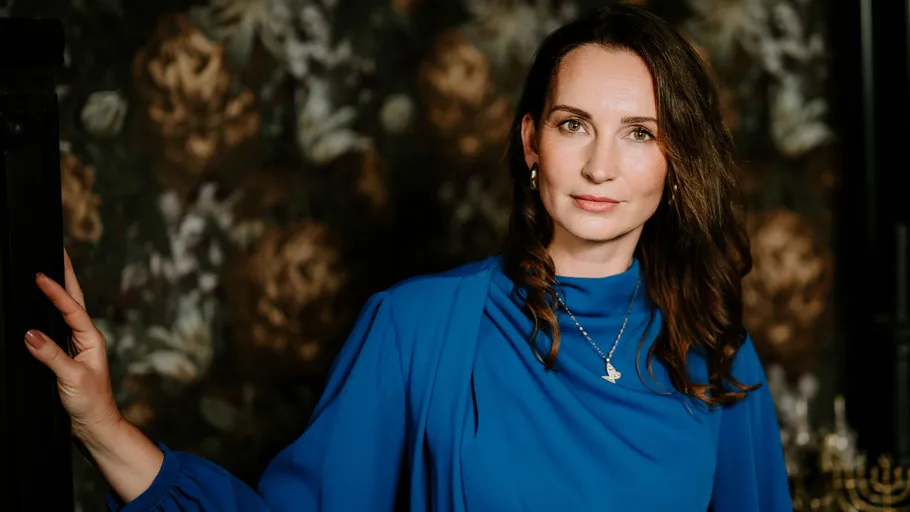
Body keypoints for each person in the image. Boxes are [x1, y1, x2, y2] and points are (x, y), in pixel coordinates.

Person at [25, 4, 792, 511]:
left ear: (676, 161)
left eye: (639, 133)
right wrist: (103, 425)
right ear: (531, 142)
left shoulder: (717, 353)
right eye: (572, 124)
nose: (599, 166)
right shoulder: (416, 327)